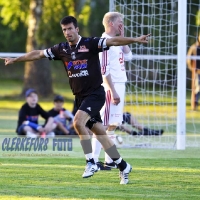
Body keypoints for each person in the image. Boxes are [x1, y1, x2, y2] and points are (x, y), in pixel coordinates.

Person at [1, 15, 150, 184]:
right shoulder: (61, 49)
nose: (67, 32)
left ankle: (90, 162)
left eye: (70, 28)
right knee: (101, 133)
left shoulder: (90, 44)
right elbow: (38, 54)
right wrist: (15, 60)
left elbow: (114, 42)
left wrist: (135, 39)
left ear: (77, 29)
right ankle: (123, 166)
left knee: (77, 122)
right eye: (64, 30)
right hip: (80, 97)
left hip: (95, 94)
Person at [91, 12, 133, 169]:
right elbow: (104, 70)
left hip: (120, 84)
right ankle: (93, 160)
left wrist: (123, 36)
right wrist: (112, 91)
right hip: (111, 86)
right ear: (111, 24)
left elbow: (129, 57)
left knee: (113, 124)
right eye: (120, 22)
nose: (122, 24)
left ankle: (109, 161)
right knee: (102, 125)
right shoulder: (105, 43)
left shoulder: (117, 41)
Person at [187, 33, 200, 110]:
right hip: (197, 72)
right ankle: (194, 105)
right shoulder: (194, 47)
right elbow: (189, 60)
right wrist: (192, 69)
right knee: (197, 89)